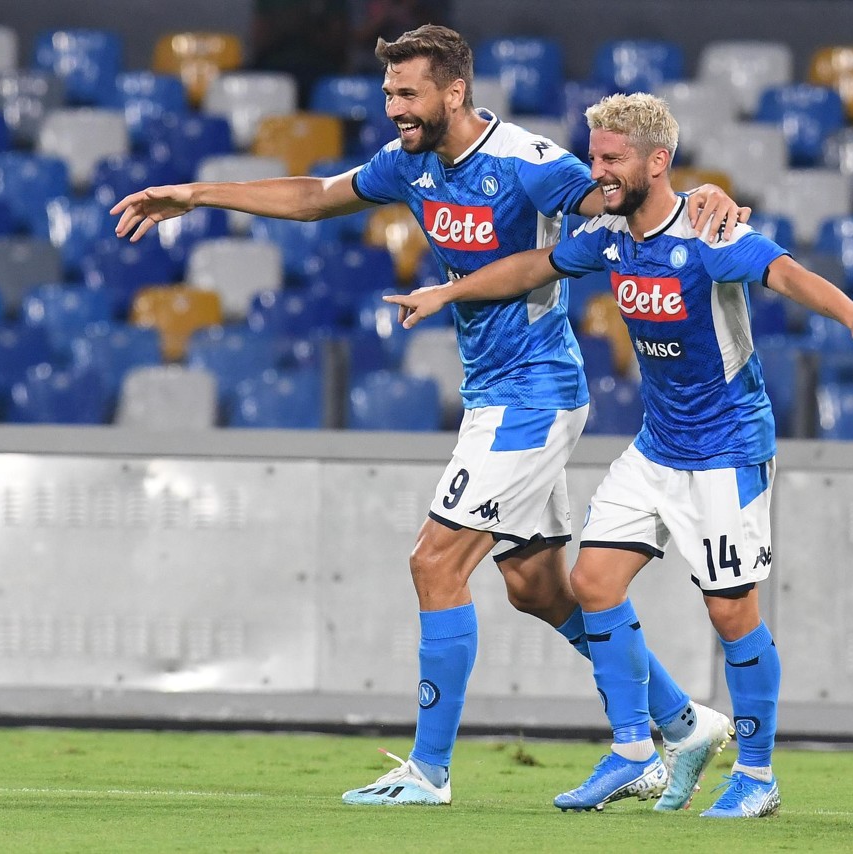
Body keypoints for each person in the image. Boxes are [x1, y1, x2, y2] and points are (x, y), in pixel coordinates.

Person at [112, 25, 745, 808]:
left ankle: (429, 771)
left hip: (533, 396)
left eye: (408, 93)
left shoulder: (527, 162)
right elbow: (316, 196)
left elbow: (621, 194)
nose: (395, 108)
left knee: (435, 563)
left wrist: (700, 196)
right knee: (537, 589)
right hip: (497, 395)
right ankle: (683, 722)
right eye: (389, 94)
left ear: (455, 92)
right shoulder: (409, 163)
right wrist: (195, 194)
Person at [382, 91, 853, 817]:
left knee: (732, 614)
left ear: (657, 162)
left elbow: (786, 273)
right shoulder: (608, 236)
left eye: (611, 158)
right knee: (592, 582)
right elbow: (534, 267)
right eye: (593, 156)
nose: (596, 171)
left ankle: (757, 774)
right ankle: (634, 752)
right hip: (656, 447)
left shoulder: (710, 233)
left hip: (726, 450)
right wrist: (449, 293)